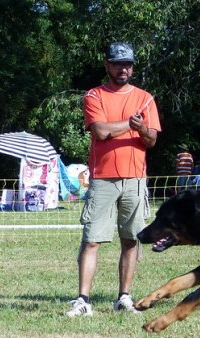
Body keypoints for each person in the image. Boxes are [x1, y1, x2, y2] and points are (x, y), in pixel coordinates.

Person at [66, 42, 161, 317]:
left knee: (131, 239)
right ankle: (83, 299)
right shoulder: (94, 95)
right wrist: (130, 125)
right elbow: (101, 131)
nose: (123, 69)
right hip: (103, 178)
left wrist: (142, 127)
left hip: (135, 178)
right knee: (92, 240)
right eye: (118, 64)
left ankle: (124, 297)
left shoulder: (145, 98)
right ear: (107, 65)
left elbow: (152, 139)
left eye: (128, 64)